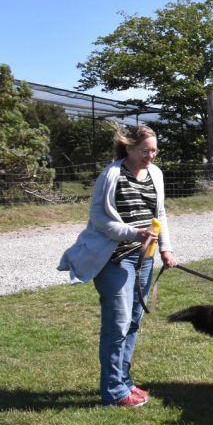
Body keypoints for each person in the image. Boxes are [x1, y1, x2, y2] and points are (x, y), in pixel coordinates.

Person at [58, 124, 178, 407]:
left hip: (144, 259)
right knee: (118, 323)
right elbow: (99, 219)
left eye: (155, 150)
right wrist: (133, 233)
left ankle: (123, 381)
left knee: (133, 321)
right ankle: (113, 391)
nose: (152, 155)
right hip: (115, 260)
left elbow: (159, 214)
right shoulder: (112, 174)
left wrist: (165, 248)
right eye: (146, 150)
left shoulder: (155, 174)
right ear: (130, 148)